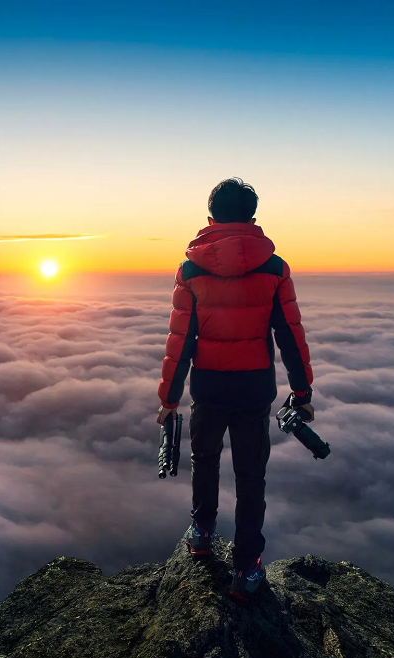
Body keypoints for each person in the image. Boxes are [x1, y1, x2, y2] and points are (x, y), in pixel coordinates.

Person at [155, 177, 314, 602]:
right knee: (251, 476)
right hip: (254, 387)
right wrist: (302, 393)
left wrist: (169, 399)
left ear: (210, 219)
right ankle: (246, 569)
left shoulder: (190, 269)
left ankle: (202, 532)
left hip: (208, 385)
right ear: (253, 219)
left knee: (204, 458)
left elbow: (180, 341)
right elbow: (290, 335)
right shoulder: (275, 268)